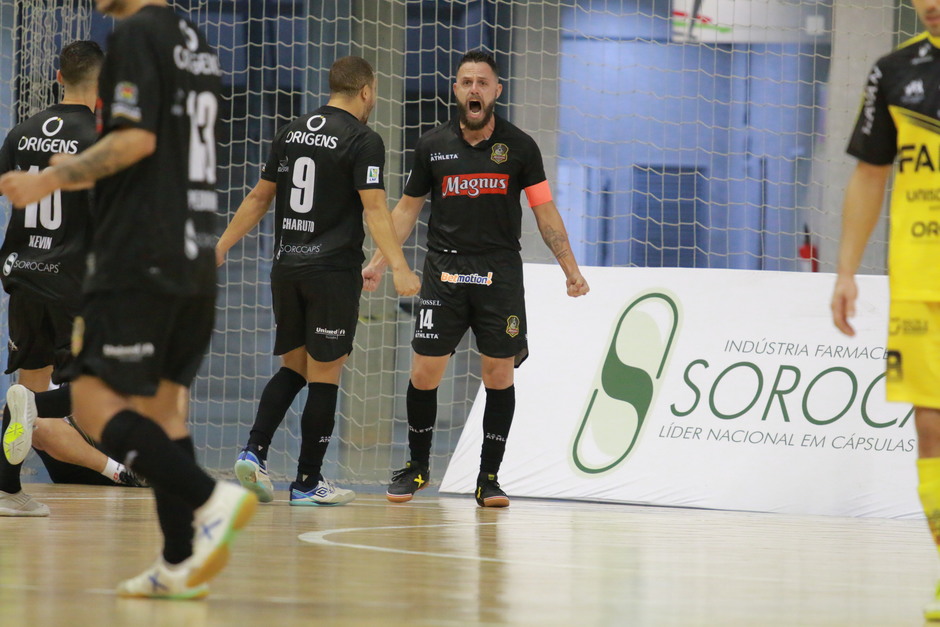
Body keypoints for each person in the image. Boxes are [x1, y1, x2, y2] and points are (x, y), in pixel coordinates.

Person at [0, 0, 256, 600]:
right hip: (194, 248)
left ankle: (212, 498)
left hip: (142, 256)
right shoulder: (195, 40)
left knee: (91, 405)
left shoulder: (137, 34)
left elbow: (135, 141)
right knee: (165, 413)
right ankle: (177, 562)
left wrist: (51, 178)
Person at [362, 50, 590, 508]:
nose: (474, 89)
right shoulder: (432, 145)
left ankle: (489, 478)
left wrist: (571, 269)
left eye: (482, 82)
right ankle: (418, 467)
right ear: (456, 89)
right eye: (466, 81)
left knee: (498, 373)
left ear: (496, 91)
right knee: (424, 372)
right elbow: (406, 210)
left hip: (499, 272)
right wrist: (380, 261)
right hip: (443, 271)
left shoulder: (520, 147)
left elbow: (545, 211)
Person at [217, 56, 420, 507]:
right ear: (366, 91)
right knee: (325, 376)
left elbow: (259, 197)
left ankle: (254, 451)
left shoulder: (291, 131)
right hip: (330, 272)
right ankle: (308, 481)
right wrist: (399, 267)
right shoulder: (363, 139)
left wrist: (222, 245)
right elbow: (374, 209)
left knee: (294, 367)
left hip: (286, 267)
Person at [0, 40, 143, 517]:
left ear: (59, 78)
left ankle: (8, 491)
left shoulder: (21, 133)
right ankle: (37, 410)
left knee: (27, 388)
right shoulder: (102, 138)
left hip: (24, 276)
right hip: (73, 281)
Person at [830, 0, 940, 620]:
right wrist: (846, 271)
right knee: (932, 428)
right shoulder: (893, 72)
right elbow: (870, 175)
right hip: (921, 280)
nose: (931, 5)